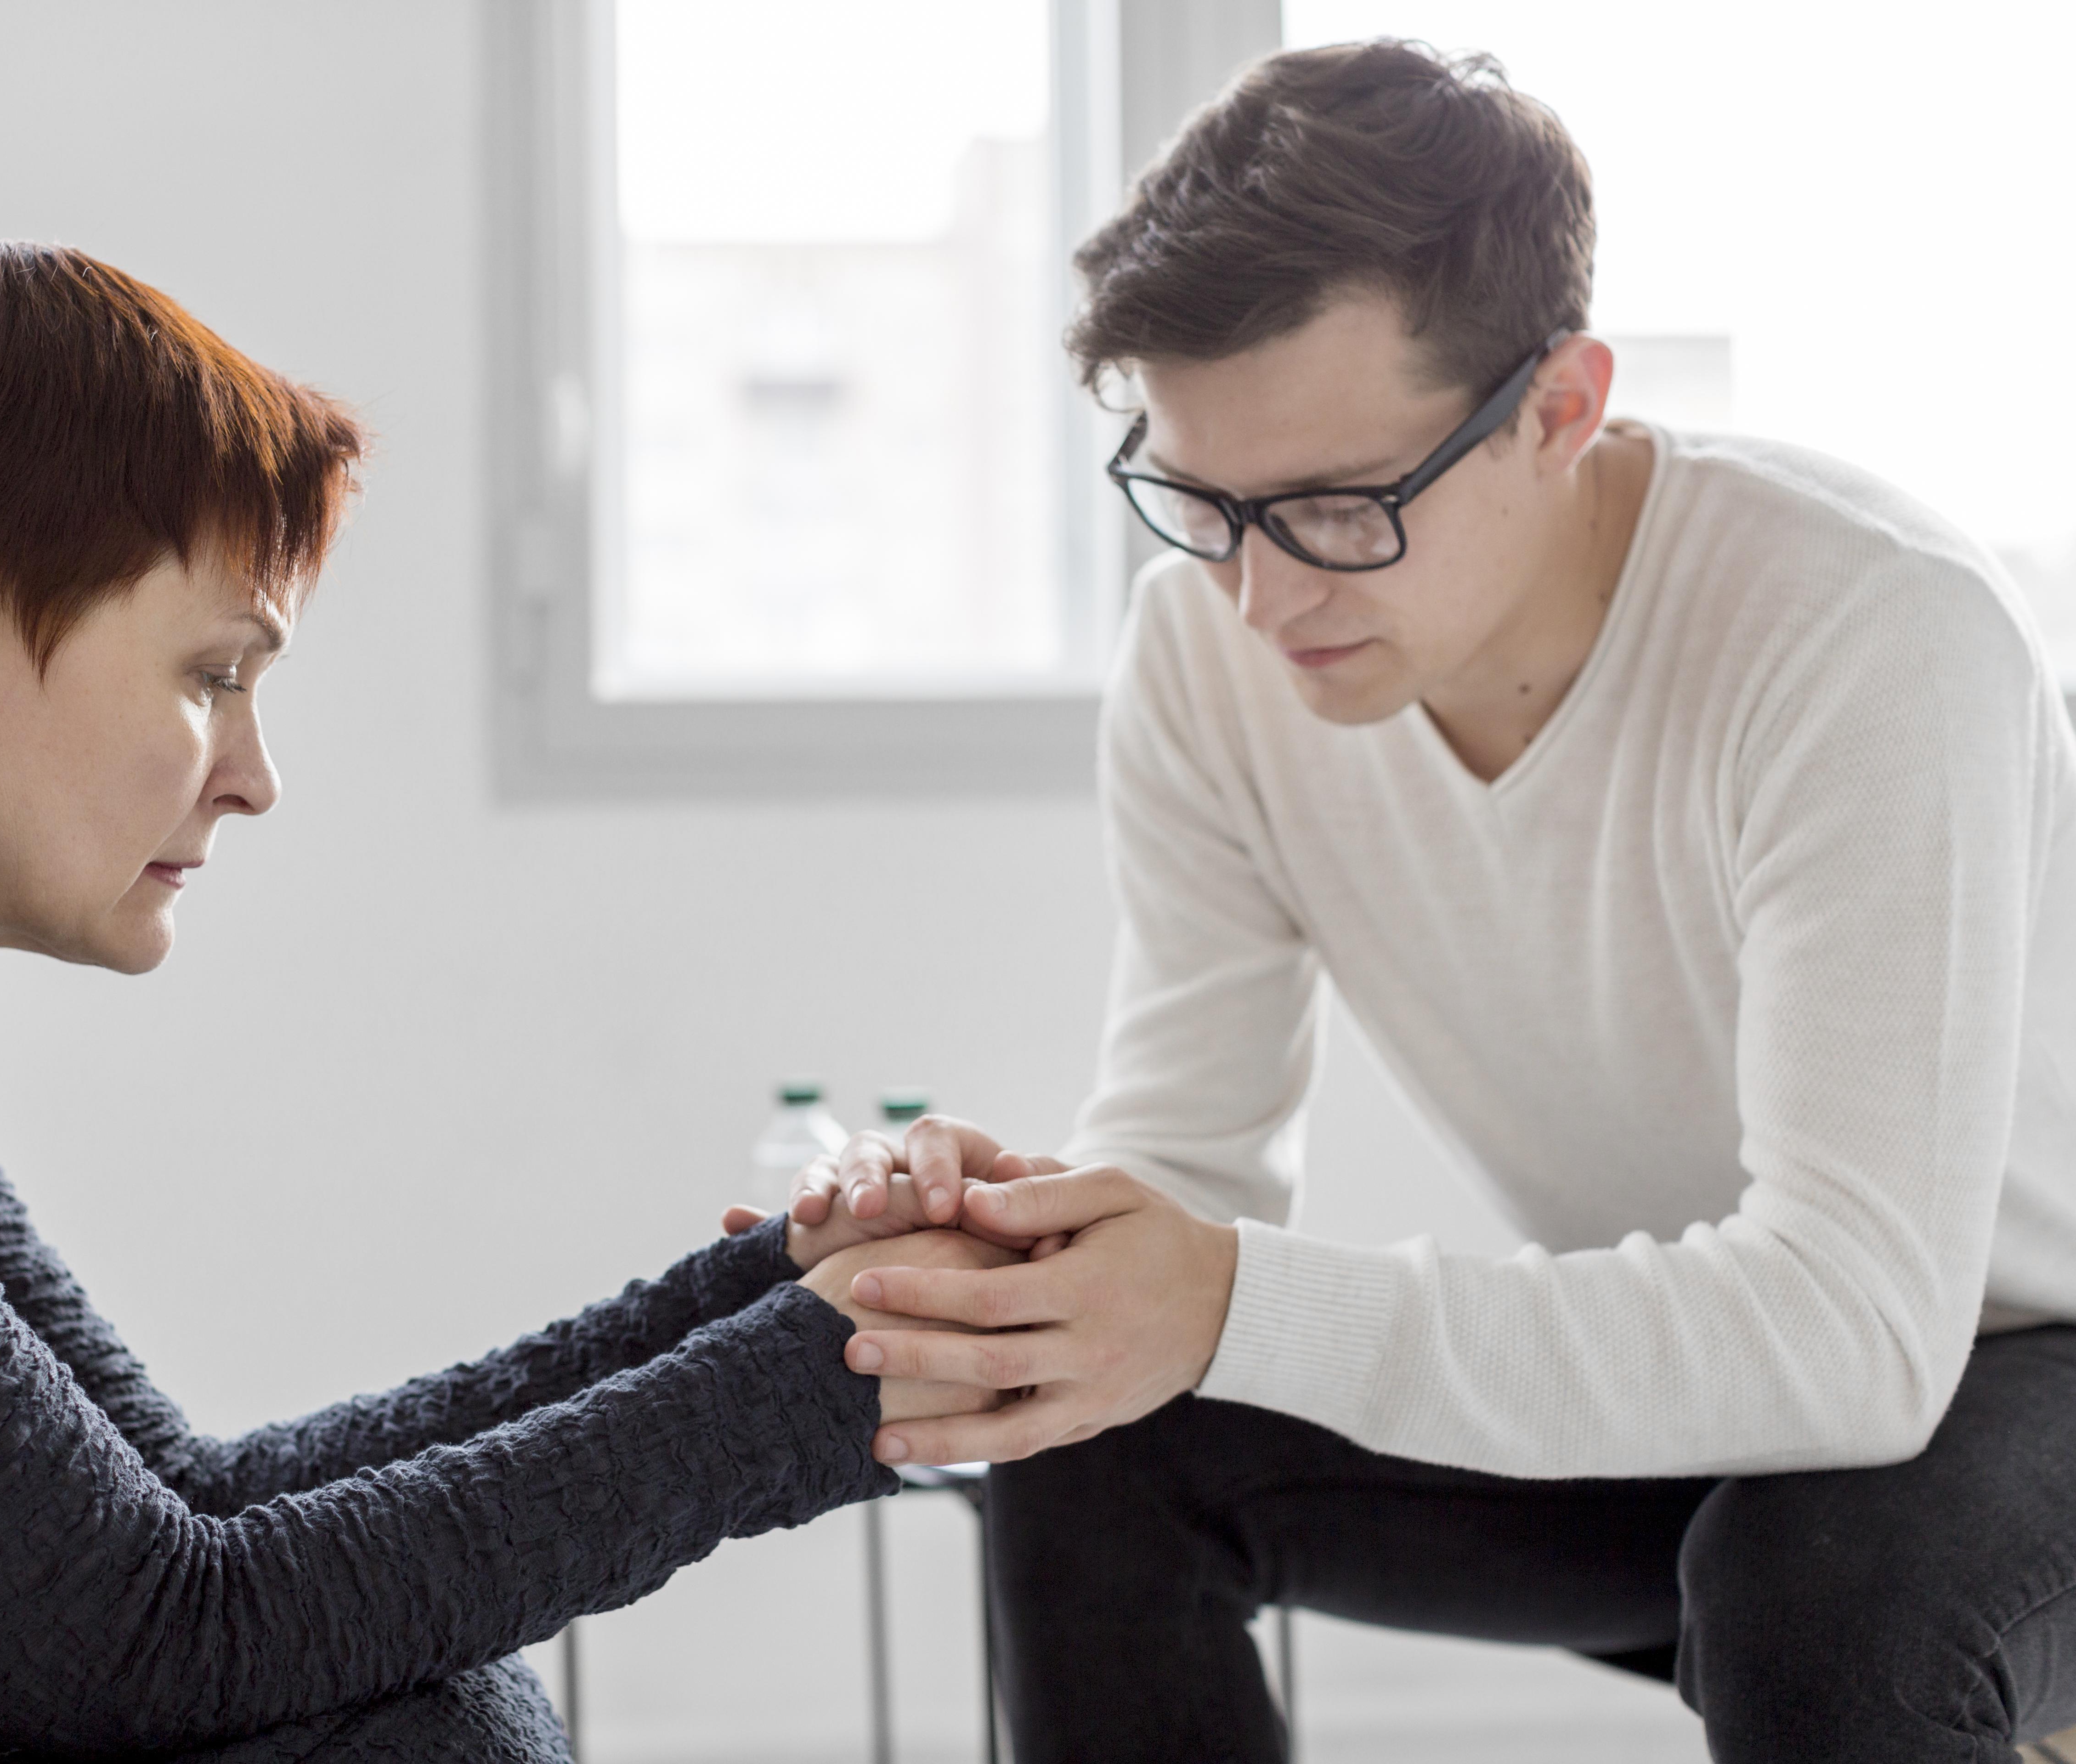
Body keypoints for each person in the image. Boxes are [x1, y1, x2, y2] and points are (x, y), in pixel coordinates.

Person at [0, 241, 1007, 1763]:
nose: (254, 778)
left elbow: (171, 1503)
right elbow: (137, 1630)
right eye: (210, 676)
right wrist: (823, 1387)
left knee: (424, 1722)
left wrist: (784, 1294)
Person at [767, 38, 2076, 1764]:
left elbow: (1853, 1335)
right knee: (1089, 1422)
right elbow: (1188, 1164)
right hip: (1727, 1374)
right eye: (1206, 507)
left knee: (1821, 1577)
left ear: (1561, 405)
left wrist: (1223, 1296)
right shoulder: (1209, 662)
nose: (1255, 599)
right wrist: (1023, 1264)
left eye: (1331, 507)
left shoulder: (1866, 635)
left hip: (2010, 1354)